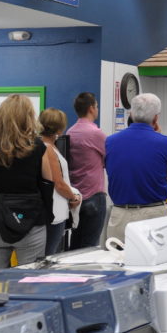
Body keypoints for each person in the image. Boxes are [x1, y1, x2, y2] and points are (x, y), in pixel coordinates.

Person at [0, 95, 67, 269]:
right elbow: (48, 184)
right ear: (29, 117)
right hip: (32, 223)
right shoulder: (39, 148)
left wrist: (1, 213)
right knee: (29, 282)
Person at [104, 93, 167, 243]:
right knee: (159, 263)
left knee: (118, 262)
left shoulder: (110, 141)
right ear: (156, 118)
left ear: (131, 113)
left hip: (120, 214)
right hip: (156, 215)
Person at [66, 92, 107, 249]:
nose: (97, 109)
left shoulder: (70, 132)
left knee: (75, 244)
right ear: (91, 109)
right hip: (94, 196)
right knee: (90, 247)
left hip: (76, 197)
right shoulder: (96, 133)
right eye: (96, 106)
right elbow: (108, 158)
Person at [39, 108, 81, 255]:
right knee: (48, 256)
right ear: (60, 127)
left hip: (54, 211)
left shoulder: (46, 146)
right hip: (55, 213)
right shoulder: (48, 148)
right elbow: (58, 182)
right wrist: (73, 197)